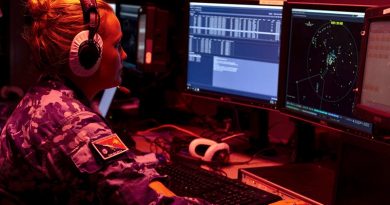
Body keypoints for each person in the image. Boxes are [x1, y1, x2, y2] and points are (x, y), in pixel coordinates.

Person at [0, 0, 208, 204]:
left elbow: (120, 174)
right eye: (117, 45)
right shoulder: (75, 125)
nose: (124, 54)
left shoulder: (44, 96)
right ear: (86, 56)